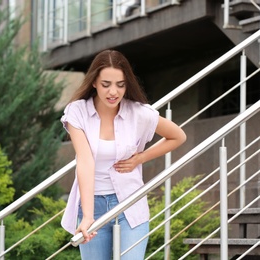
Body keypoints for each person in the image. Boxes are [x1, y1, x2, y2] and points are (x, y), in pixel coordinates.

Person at [60, 49, 186, 260]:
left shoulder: (138, 112)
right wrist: (88, 216)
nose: (113, 92)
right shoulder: (77, 111)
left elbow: (178, 136)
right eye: (106, 84)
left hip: (130, 203)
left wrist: (141, 158)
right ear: (93, 83)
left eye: (120, 84)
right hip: (93, 205)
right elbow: (84, 160)